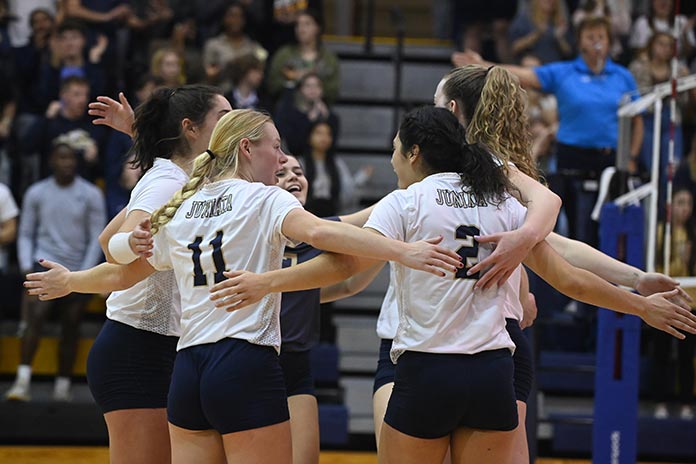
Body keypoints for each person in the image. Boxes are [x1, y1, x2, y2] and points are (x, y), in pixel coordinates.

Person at [202, 106, 696, 463]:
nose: (393, 159)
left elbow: (343, 267)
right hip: (492, 374)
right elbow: (567, 278)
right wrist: (639, 306)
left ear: (414, 152)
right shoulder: (501, 200)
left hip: (426, 372)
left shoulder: (408, 200)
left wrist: (268, 283)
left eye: (396, 150)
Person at [24, 109, 462, 463]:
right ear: (248, 148)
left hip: (187, 372)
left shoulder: (185, 205)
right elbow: (328, 237)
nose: (280, 159)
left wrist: (72, 280)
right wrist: (403, 252)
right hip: (244, 361)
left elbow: (122, 270)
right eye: (275, 148)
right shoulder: (266, 198)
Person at [85, 84, 231, 464]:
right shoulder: (168, 180)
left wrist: (138, 129)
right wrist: (131, 243)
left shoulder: (188, 174)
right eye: (223, 117)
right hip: (137, 347)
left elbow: (105, 238)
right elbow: (113, 244)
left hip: (162, 344)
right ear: (191, 128)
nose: (232, 124)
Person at [454, 16, 644, 249]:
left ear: (608, 41)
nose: (596, 42)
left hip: (610, 158)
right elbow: (526, 75)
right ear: (580, 42)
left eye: (601, 37)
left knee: (610, 222)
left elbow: (637, 120)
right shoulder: (565, 72)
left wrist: (632, 157)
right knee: (575, 222)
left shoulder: (622, 76)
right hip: (573, 156)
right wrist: (485, 64)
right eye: (590, 37)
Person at [6, 141, 105, 402]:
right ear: (51, 161)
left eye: (71, 158)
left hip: (76, 269)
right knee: (34, 318)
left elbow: (97, 236)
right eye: (61, 158)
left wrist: (82, 275)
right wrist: (27, 265)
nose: (66, 163)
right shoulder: (37, 192)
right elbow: (25, 232)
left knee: (71, 325)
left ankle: (62, 386)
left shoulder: (91, 194)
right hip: (43, 266)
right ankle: (22, 381)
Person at [653, 186, 696, 420]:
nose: (685, 209)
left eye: (688, 204)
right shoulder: (661, 233)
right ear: (670, 207)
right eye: (680, 203)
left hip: (690, 304)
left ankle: (686, 402)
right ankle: (660, 400)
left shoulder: (693, 234)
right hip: (665, 302)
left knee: (686, 356)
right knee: (660, 354)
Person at [266, 9, 340, 104]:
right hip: (288, 109)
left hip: (319, 110)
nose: (301, 29)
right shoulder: (284, 55)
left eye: (307, 24)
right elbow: (273, 85)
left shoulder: (328, 58)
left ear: (318, 28)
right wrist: (294, 79)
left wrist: (315, 86)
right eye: (298, 25)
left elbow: (333, 90)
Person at [202, 2, 267, 94]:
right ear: (224, 19)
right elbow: (208, 75)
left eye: (240, 17)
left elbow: (261, 67)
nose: (236, 20)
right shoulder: (213, 45)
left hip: (248, 96)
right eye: (231, 16)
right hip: (222, 93)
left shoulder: (253, 46)